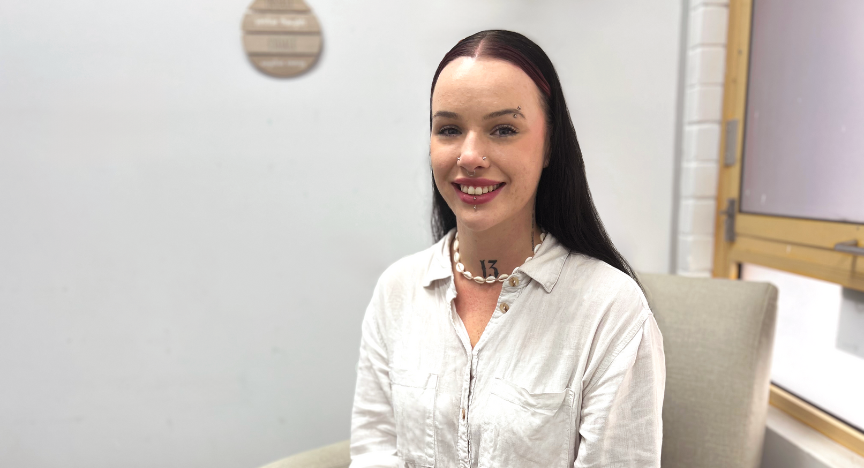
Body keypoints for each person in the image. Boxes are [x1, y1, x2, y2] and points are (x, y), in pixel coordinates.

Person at [349, 30, 665, 468]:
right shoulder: (397, 290)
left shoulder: (611, 309)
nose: (471, 156)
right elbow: (374, 454)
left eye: (503, 129)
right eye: (449, 129)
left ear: (551, 143)